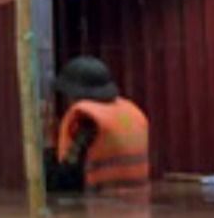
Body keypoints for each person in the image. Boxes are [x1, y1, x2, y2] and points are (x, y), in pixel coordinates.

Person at [44, 56, 152, 196]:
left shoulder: (88, 122)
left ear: (72, 94)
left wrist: (46, 153)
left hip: (98, 205)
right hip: (136, 202)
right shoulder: (131, 113)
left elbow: (67, 179)